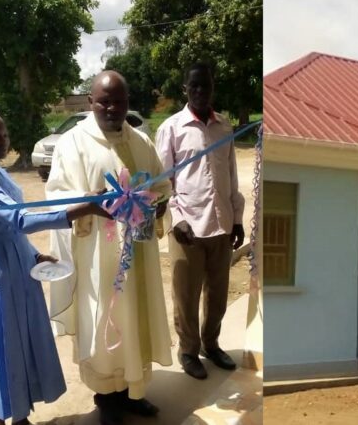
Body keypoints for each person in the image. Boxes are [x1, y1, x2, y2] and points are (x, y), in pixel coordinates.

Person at [0, 106, 108, 425]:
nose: (2, 139)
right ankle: (1, 418)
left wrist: (33, 255)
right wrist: (83, 209)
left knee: (20, 342)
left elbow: (14, 223)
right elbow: (18, 217)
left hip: (17, 265)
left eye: (4, 132)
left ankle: (19, 415)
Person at [45, 71, 172, 425]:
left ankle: (133, 393)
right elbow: (56, 196)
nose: (112, 108)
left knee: (136, 320)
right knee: (107, 322)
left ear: (128, 102)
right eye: (104, 101)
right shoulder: (73, 143)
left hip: (139, 255)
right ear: (90, 103)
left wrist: (160, 203)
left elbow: (161, 183)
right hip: (99, 257)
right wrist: (89, 204)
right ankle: (107, 399)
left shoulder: (142, 141)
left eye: (119, 101)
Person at [155, 62, 245, 380]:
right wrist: (176, 218)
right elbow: (162, 183)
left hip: (221, 225)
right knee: (186, 295)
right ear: (185, 89)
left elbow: (232, 176)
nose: (200, 92)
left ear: (212, 87)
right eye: (193, 86)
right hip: (187, 229)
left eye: (205, 86)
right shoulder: (171, 128)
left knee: (218, 293)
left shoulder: (224, 127)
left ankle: (211, 344)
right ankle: (189, 351)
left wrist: (237, 219)